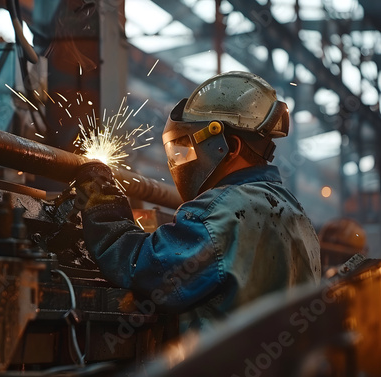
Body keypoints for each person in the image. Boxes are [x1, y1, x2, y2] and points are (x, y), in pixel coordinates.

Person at [73, 71, 321, 330]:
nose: (181, 161)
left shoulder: (220, 212)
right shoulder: (296, 214)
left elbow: (145, 271)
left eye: (188, 148)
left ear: (230, 147)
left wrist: (103, 206)